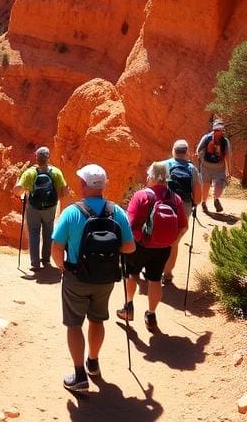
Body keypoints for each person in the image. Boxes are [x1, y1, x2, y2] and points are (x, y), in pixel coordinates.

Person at [52, 164, 136, 392]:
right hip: (106, 279)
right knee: (97, 320)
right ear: (103, 185)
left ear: (83, 185)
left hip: (76, 277)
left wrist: (63, 268)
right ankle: (93, 363)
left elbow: (56, 248)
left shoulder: (71, 212)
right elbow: (129, 247)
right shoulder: (117, 212)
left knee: (74, 324)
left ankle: (79, 376)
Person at [116, 161, 187, 330]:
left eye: (149, 175)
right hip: (163, 248)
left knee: (131, 275)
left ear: (153, 177)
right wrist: (171, 241)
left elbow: (129, 223)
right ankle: (151, 314)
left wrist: (129, 242)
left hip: (139, 245)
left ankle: (128, 308)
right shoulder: (174, 198)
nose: (147, 178)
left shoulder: (142, 195)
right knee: (155, 280)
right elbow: (183, 226)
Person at [13, 146, 67, 271]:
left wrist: (18, 183)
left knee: (34, 233)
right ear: (48, 158)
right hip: (50, 207)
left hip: (33, 207)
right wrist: (54, 202)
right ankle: (46, 260)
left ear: (36, 157)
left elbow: (17, 191)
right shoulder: (56, 172)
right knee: (48, 233)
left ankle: (35, 263)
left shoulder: (30, 173)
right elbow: (63, 192)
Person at [161, 139, 203, 283]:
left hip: (163, 206)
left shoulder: (163, 165)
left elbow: (151, 186)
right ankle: (167, 273)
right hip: (182, 209)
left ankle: (153, 269)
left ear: (173, 151)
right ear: (187, 153)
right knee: (173, 241)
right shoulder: (192, 169)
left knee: (159, 237)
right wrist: (193, 204)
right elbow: (198, 198)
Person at [196, 120, 230, 213]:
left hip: (219, 168)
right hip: (206, 167)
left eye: (219, 130)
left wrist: (228, 170)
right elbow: (198, 150)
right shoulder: (206, 138)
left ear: (222, 130)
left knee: (219, 185)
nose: (217, 132)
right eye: (216, 130)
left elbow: (227, 155)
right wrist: (201, 161)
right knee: (205, 186)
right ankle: (204, 203)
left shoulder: (225, 142)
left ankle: (216, 199)